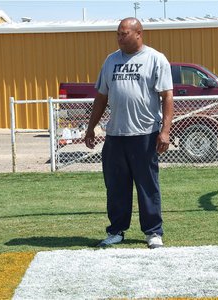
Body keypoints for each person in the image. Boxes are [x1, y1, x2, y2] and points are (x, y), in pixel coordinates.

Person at [84, 17, 174, 249]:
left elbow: (167, 97)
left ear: (138, 34)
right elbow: (101, 97)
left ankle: (153, 232)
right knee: (116, 187)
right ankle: (116, 231)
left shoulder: (155, 59)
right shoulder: (111, 60)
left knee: (147, 186)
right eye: (118, 34)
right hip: (115, 136)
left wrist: (165, 131)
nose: (119, 37)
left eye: (124, 33)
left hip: (144, 135)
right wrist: (90, 127)